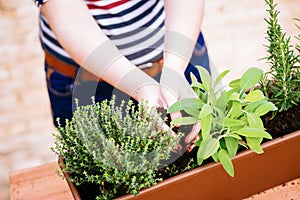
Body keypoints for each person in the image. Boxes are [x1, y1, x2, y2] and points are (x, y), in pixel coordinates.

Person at [33, 0, 210, 150]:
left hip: (177, 49)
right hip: (86, 77)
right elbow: (71, 19)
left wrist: (174, 68)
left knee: (203, 144)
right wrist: (138, 84)